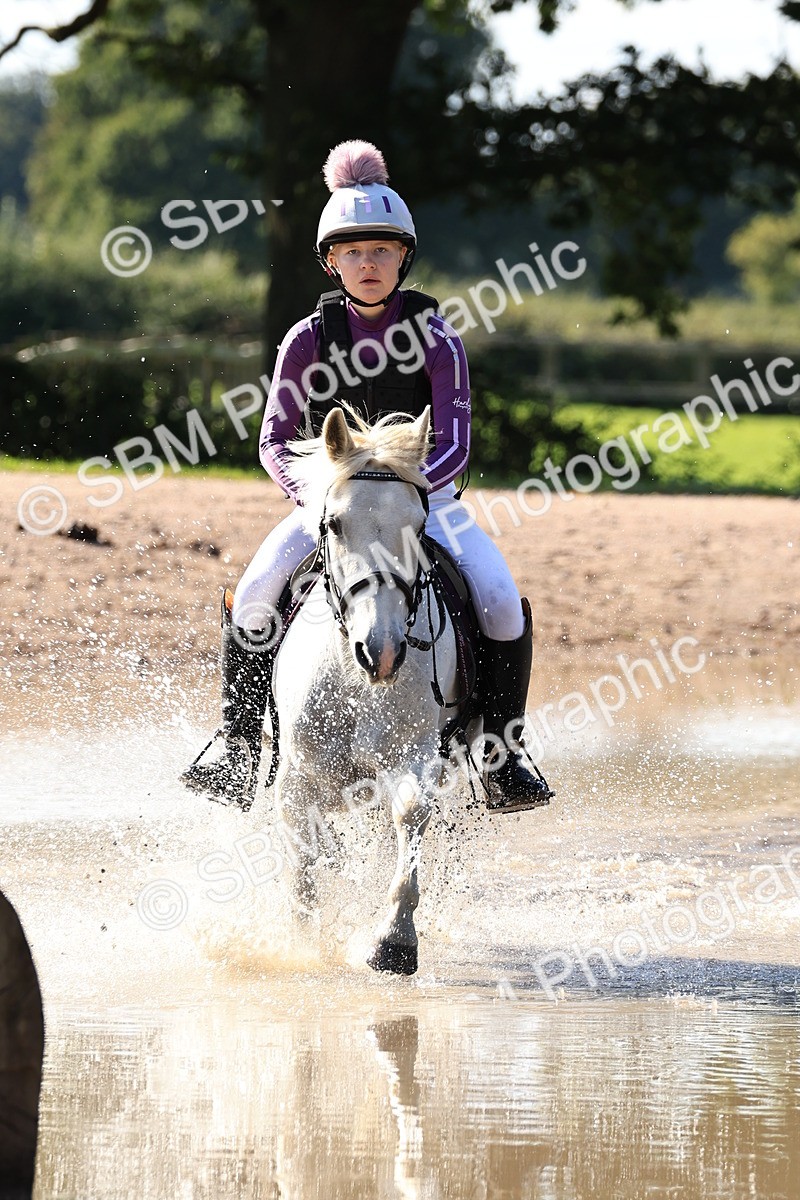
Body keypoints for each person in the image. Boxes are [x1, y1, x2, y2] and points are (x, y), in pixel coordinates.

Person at [181, 140, 553, 815]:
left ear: (403, 257)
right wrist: (322, 497)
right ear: (332, 261)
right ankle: (235, 748)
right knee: (257, 591)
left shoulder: (438, 338)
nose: (368, 263)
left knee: (500, 600)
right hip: (334, 505)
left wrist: (409, 493)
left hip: (425, 501)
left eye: (382, 249)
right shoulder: (305, 340)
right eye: (352, 252)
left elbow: (456, 443)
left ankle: (503, 757)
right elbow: (273, 440)